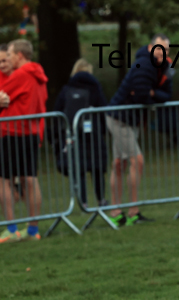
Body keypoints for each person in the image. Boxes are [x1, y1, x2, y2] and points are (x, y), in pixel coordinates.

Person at [106, 33, 173, 227]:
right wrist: (150, 95)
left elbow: (166, 94)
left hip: (131, 119)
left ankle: (118, 212)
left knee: (120, 163)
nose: (164, 53)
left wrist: (152, 93)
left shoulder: (165, 67)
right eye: (161, 49)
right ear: (152, 48)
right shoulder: (144, 64)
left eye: (167, 50)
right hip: (120, 118)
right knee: (136, 161)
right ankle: (130, 211)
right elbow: (142, 95)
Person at [0, 39, 47, 243]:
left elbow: (2, 96)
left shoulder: (21, 74)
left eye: (9, 55)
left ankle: (11, 229)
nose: (8, 59)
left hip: (11, 131)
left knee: (4, 181)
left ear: (19, 55)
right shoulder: (39, 75)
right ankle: (32, 230)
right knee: (30, 179)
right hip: (32, 132)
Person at [53, 59, 109, 207]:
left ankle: (83, 201)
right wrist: (103, 130)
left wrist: (58, 135)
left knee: (80, 169)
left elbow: (58, 110)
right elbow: (103, 109)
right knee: (97, 169)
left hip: (73, 134)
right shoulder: (95, 88)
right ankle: (101, 199)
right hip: (93, 134)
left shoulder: (67, 89)